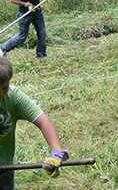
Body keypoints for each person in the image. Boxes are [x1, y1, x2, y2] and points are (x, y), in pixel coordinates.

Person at [0, 56, 69, 189]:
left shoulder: (13, 97)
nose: (1, 94)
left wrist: (56, 151)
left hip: (5, 167)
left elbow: (43, 121)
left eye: (4, 87)